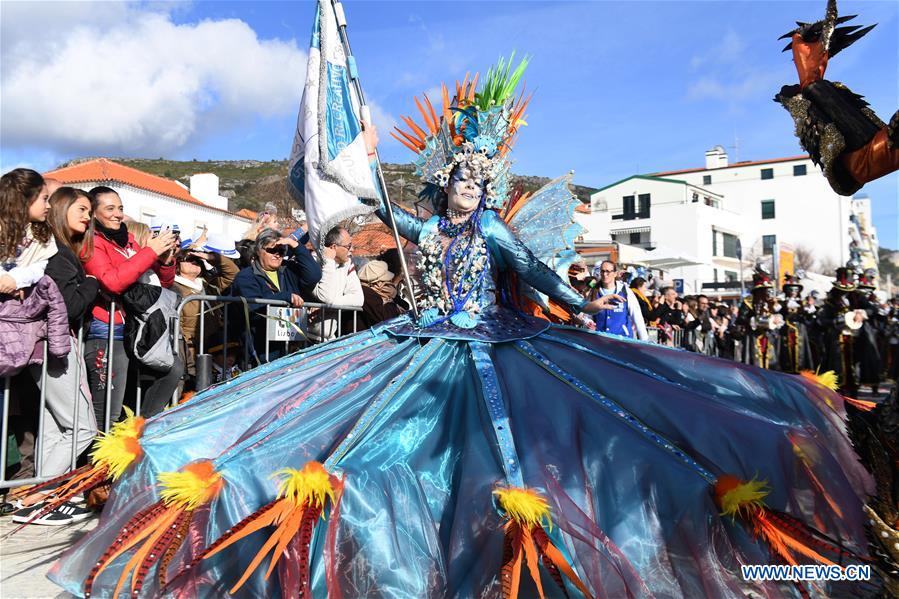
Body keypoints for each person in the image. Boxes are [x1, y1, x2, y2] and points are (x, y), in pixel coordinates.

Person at [51, 57, 873, 599]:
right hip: (417, 345)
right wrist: (365, 176)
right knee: (358, 444)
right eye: (461, 183)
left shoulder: (492, 233)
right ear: (447, 184)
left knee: (511, 451)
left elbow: (542, 274)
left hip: (495, 345)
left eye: (480, 184)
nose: (469, 194)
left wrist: (581, 305)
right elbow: (389, 214)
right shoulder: (428, 224)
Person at [13, 187, 98, 526]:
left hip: (46, 350)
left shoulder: (58, 254)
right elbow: (69, 306)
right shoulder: (59, 258)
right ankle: (39, 497)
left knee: (53, 427)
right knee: (82, 428)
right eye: (81, 209)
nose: (87, 216)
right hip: (57, 348)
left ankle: (41, 499)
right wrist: (92, 283)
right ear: (61, 210)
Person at [82, 186, 178, 428]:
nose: (118, 214)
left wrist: (164, 262)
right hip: (108, 331)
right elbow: (113, 282)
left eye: (121, 208)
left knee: (172, 369)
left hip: (138, 329)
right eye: (110, 208)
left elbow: (161, 286)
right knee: (108, 411)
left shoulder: (130, 242)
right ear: (94, 214)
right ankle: (97, 463)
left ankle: (140, 434)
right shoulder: (91, 243)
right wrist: (149, 252)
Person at [229, 227, 322, 362]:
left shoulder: (288, 269)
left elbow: (314, 275)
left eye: (281, 250)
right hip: (259, 348)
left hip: (290, 346)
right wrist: (285, 297)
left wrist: (295, 245)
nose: (277, 254)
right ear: (259, 251)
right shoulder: (245, 276)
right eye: (272, 250)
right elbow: (254, 304)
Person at [309, 225, 364, 341]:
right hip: (305, 338)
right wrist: (328, 261)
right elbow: (327, 297)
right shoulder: (312, 263)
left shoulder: (348, 264)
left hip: (329, 339)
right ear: (333, 247)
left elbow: (359, 298)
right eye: (348, 246)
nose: (352, 250)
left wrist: (328, 307)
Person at [590, 260, 647, 340]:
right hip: (600, 340)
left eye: (608, 271)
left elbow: (637, 316)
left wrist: (644, 340)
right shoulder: (594, 291)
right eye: (602, 271)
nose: (604, 274)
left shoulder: (625, 291)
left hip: (623, 340)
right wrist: (588, 323)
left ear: (615, 273)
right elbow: (588, 315)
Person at [356, 259, 406, 330]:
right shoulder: (367, 293)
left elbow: (405, 306)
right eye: (385, 281)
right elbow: (384, 317)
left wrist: (394, 296)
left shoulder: (380, 292)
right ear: (376, 282)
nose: (388, 283)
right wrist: (392, 304)